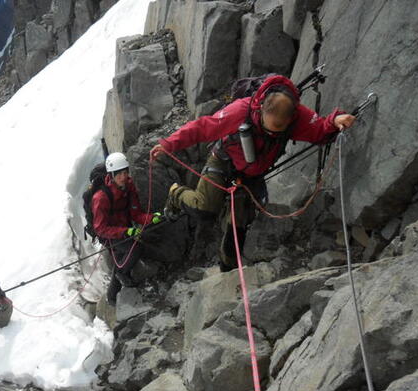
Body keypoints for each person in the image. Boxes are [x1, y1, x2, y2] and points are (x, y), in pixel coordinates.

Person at [151, 74, 356, 271]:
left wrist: (336, 121)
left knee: (237, 229)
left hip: (250, 175)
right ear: (261, 109)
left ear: (290, 118)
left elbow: (318, 128)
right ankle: (175, 193)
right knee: (205, 209)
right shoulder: (240, 111)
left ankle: (228, 271)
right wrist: (169, 143)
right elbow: (203, 127)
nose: (271, 134)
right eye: (268, 129)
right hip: (224, 161)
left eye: (278, 130)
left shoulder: (297, 115)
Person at [92, 152, 161, 305]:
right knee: (134, 249)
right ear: (112, 175)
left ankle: (112, 298)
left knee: (131, 250)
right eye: (119, 174)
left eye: (125, 172)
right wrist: (125, 232)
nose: (124, 177)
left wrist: (151, 218)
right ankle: (121, 277)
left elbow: (136, 214)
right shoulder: (101, 198)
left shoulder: (128, 187)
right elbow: (100, 228)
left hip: (125, 230)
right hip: (109, 236)